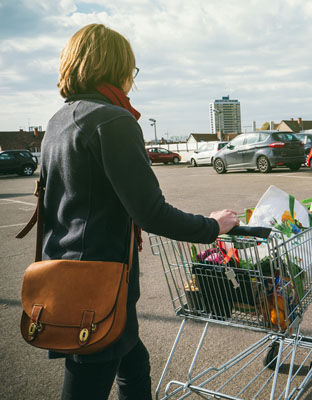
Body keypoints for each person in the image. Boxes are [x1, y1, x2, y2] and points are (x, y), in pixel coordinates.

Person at [40, 23, 239, 399]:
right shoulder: (112, 120)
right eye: (131, 70)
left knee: (133, 360)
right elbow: (151, 212)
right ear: (116, 68)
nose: (132, 79)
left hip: (65, 272)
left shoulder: (59, 121)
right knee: (88, 380)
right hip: (97, 286)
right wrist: (213, 225)